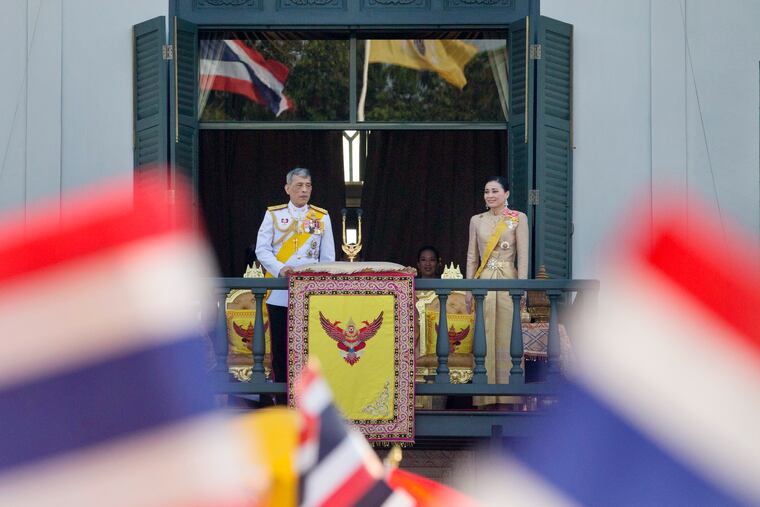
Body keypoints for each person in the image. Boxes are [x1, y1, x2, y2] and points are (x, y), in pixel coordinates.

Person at [255, 167, 335, 386]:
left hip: (311, 294)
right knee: (281, 348)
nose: (304, 190)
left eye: (308, 185)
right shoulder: (274, 215)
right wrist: (280, 269)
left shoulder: (321, 216)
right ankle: (282, 399)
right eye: (299, 185)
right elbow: (262, 250)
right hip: (280, 292)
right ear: (287, 188)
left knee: (312, 350)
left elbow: (328, 258)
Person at [465, 176, 528, 408]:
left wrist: (522, 289)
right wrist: (468, 289)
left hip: (508, 281)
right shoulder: (476, 220)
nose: (490, 195)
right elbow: (472, 257)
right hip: (484, 282)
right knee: (485, 336)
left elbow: (523, 257)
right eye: (486, 191)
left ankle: (510, 397)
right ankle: (484, 397)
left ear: (507, 194)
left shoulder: (518, 219)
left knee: (507, 337)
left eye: (495, 191)